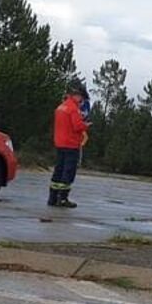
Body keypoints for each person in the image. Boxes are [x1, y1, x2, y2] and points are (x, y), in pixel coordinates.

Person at [48, 80, 89, 208]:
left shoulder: (61, 107)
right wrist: (85, 125)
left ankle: (52, 197)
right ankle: (63, 198)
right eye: (81, 97)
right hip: (71, 144)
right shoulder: (73, 109)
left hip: (60, 143)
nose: (82, 100)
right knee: (68, 171)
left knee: (58, 170)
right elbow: (77, 126)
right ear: (77, 95)